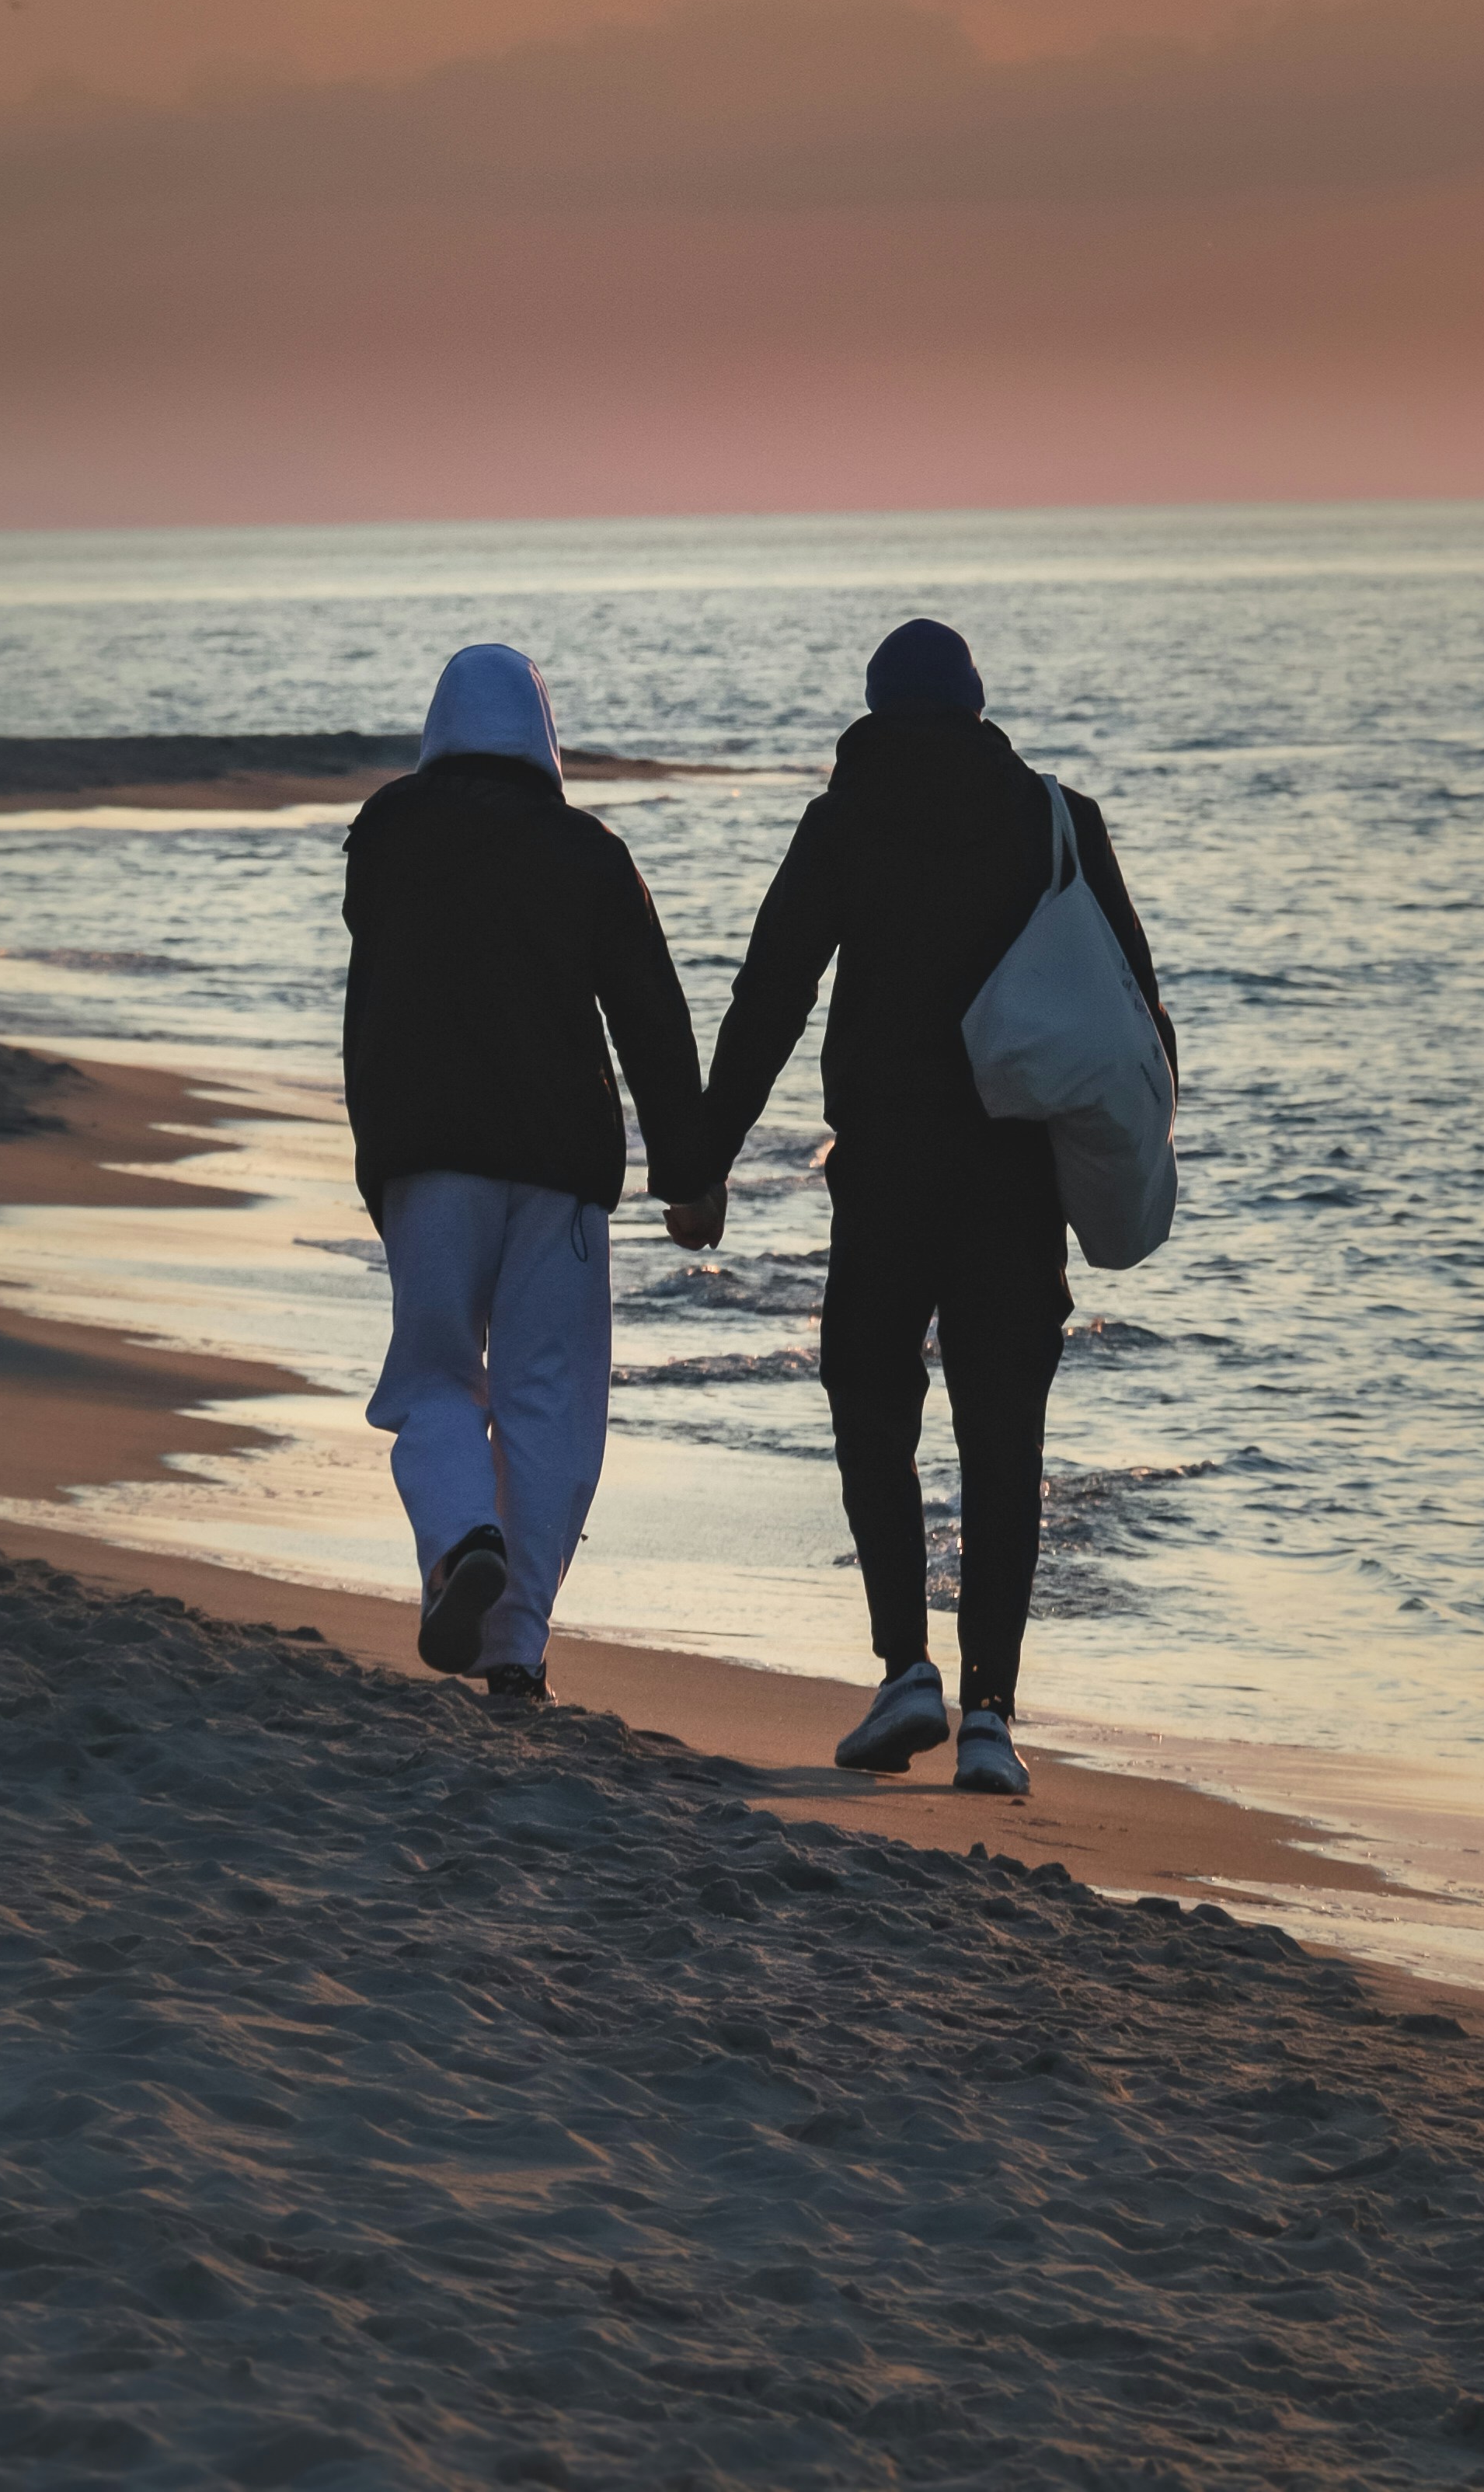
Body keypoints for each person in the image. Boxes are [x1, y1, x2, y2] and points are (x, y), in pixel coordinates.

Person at [695, 617, 1172, 1803]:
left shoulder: (844, 819)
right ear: (974, 707)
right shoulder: (1053, 816)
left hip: (888, 1169)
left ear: (872, 710)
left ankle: (905, 1663)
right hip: (1016, 1180)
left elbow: (773, 993)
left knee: (870, 1396)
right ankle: (992, 1718)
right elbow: (1139, 1014)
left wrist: (700, 1157)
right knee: (1003, 1436)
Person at [343, 640, 708, 1705]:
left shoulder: (388, 834)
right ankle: (515, 1648)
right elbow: (652, 1014)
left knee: (433, 1379)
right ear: (544, 739)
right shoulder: (588, 851)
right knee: (551, 1403)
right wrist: (690, 1172)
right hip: (560, 1168)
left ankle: (464, 1541)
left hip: (426, 1156)